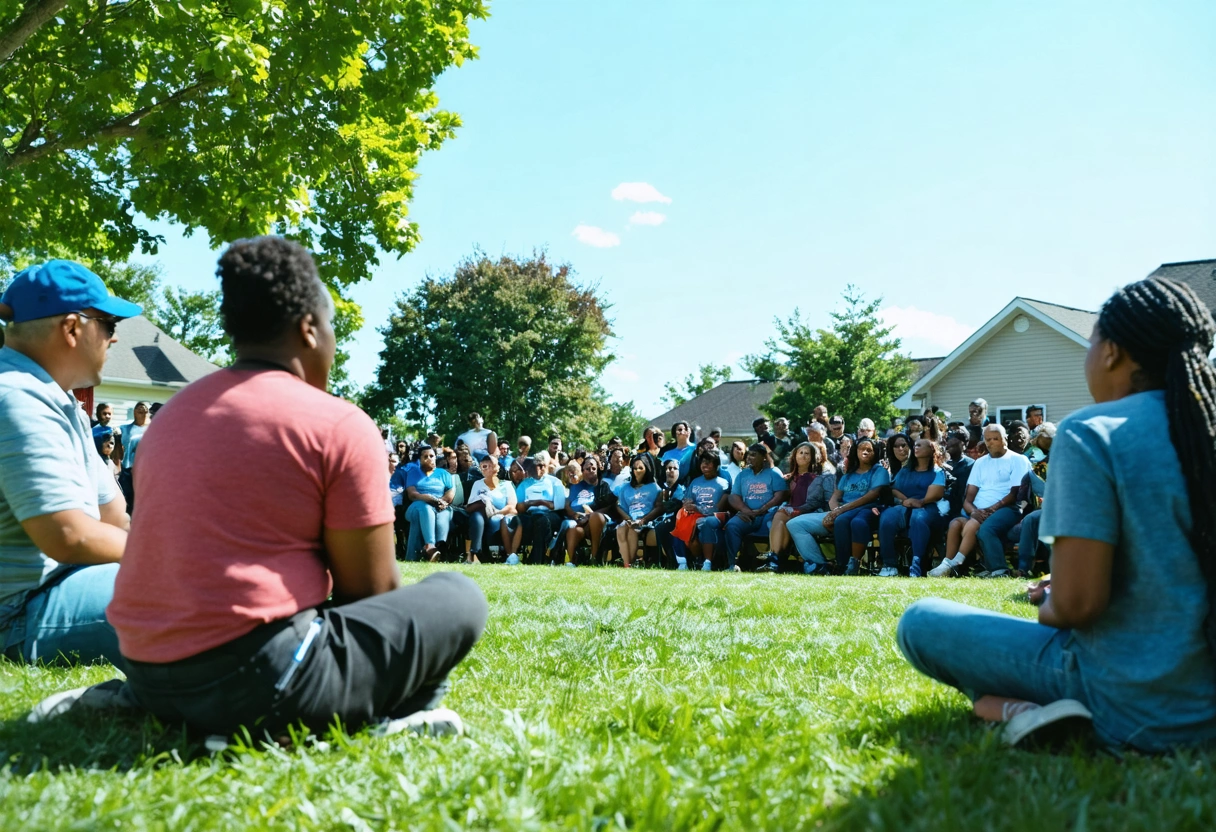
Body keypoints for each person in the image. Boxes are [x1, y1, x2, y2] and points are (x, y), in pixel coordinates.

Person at [38, 237, 488, 739]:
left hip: (147, 671)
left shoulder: (171, 419)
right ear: (310, 329)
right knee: (459, 597)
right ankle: (374, 719)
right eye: (332, 328)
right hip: (260, 678)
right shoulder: (338, 424)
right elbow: (370, 598)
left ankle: (152, 710)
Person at [899, 277, 1216, 751]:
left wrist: (1053, 596)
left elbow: (1076, 607)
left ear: (1111, 353)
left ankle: (1015, 708)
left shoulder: (1093, 432)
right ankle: (1006, 708)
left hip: (1133, 704)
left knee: (921, 621)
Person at [0, 260, 139, 669]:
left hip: (61, 585)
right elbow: (68, 535)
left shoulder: (62, 402)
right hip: (19, 611)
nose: (114, 338)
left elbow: (114, 517)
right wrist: (169, 557)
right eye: (108, 325)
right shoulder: (16, 397)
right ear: (72, 328)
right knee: (195, 592)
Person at [928, 424, 1032, 578]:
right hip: (979, 511)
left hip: (1008, 508)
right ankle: (948, 564)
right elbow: (969, 497)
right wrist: (974, 511)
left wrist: (992, 509)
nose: (991, 442)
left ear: (1005, 439)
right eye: (988, 439)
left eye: (995, 439)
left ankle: (997, 569)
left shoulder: (1018, 460)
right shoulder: (980, 462)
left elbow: (1015, 493)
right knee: (955, 523)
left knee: (984, 528)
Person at [878, 438, 947, 577]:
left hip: (930, 507)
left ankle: (917, 564)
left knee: (918, 518)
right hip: (906, 505)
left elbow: (936, 493)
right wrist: (907, 501)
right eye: (915, 445)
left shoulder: (937, 472)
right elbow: (894, 489)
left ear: (931, 450)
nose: (916, 447)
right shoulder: (905, 470)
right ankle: (889, 564)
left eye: (920, 445)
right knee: (887, 516)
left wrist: (921, 502)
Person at [822, 438, 891, 575]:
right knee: (840, 521)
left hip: (870, 508)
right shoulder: (848, 474)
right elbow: (835, 497)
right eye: (861, 449)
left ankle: (855, 563)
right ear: (856, 451)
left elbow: (872, 495)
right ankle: (842, 565)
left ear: (875, 452)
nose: (865, 452)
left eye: (869, 450)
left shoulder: (879, 471)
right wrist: (834, 512)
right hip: (846, 510)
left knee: (858, 523)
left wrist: (842, 509)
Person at [723, 444, 789, 572]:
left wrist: (762, 509)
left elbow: (781, 495)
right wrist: (745, 510)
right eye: (748, 455)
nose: (749, 458)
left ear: (763, 457)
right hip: (747, 515)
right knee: (732, 525)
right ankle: (732, 565)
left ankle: (773, 564)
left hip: (768, 514)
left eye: (753, 455)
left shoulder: (774, 473)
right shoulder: (743, 474)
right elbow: (733, 496)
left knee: (773, 525)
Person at [765, 442, 820, 565]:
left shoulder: (817, 478)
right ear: (795, 456)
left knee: (781, 514)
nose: (803, 456)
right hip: (787, 511)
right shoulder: (788, 478)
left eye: (807, 453)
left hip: (808, 511)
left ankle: (774, 559)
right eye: (801, 453)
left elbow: (813, 502)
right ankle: (776, 559)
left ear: (812, 457)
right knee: (780, 517)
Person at [403, 446, 455, 563]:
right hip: (416, 506)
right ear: (420, 459)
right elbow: (413, 495)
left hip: (440, 506)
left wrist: (441, 501)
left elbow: (450, 492)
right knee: (425, 508)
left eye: (431, 456)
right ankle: (430, 546)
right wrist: (429, 499)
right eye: (425, 456)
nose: (429, 458)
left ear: (436, 457)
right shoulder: (413, 473)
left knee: (444, 514)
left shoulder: (443, 473)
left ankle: (440, 549)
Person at [563, 456, 618, 565]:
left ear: (597, 469)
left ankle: (594, 557)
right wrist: (575, 515)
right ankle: (571, 561)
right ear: (582, 471)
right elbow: (567, 505)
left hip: (597, 521)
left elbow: (609, 506)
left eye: (594, 468)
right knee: (573, 530)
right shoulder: (575, 487)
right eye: (588, 469)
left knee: (595, 517)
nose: (591, 470)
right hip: (579, 521)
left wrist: (589, 516)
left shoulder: (603, 486)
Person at [681, 453, 731, 572]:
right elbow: (687, 499)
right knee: (681, 523)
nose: (705, 465)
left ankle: (708, 562)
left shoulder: (723, 483)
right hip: (695, 515)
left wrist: (699, 509)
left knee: (707, 522)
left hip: (715, 516)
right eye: (703, 462)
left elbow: (718, 508)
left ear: (716, 466)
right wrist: (687, 504)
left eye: (709, 462)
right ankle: (687, 561)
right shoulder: (695, 482)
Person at [466, 455, 518, 564]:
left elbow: (512, 507)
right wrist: (484, 503)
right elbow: (470, 506)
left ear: (497, 468)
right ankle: (475, 552)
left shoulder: (506, 485)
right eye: (483, 467)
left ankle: (477, 554)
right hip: (482, 517)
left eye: (490, 466)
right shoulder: (478, 484)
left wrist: (496, 512)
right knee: (476, 516)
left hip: (501, 517)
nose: (486, 469)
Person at [614, 457, 664, 568]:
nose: (637, 471)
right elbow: (620, 507)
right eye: (635, 468)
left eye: (641, 468)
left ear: (647, 469)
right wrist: (628, 519)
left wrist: (642, 520)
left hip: (646, 520)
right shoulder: (625, 488)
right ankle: (627, 564)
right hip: (630, 518)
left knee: (633, 530)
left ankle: (630, 562)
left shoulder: (654, 487)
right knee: (621, 528)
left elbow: (658, 508)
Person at [114, 400, 150, 512]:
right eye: (138, 408)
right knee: (127, 498)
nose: (141, 411)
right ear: (134, 412)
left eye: (144, 409)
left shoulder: (152, 429)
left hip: (145, 470)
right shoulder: (124, 429)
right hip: (127, 469)